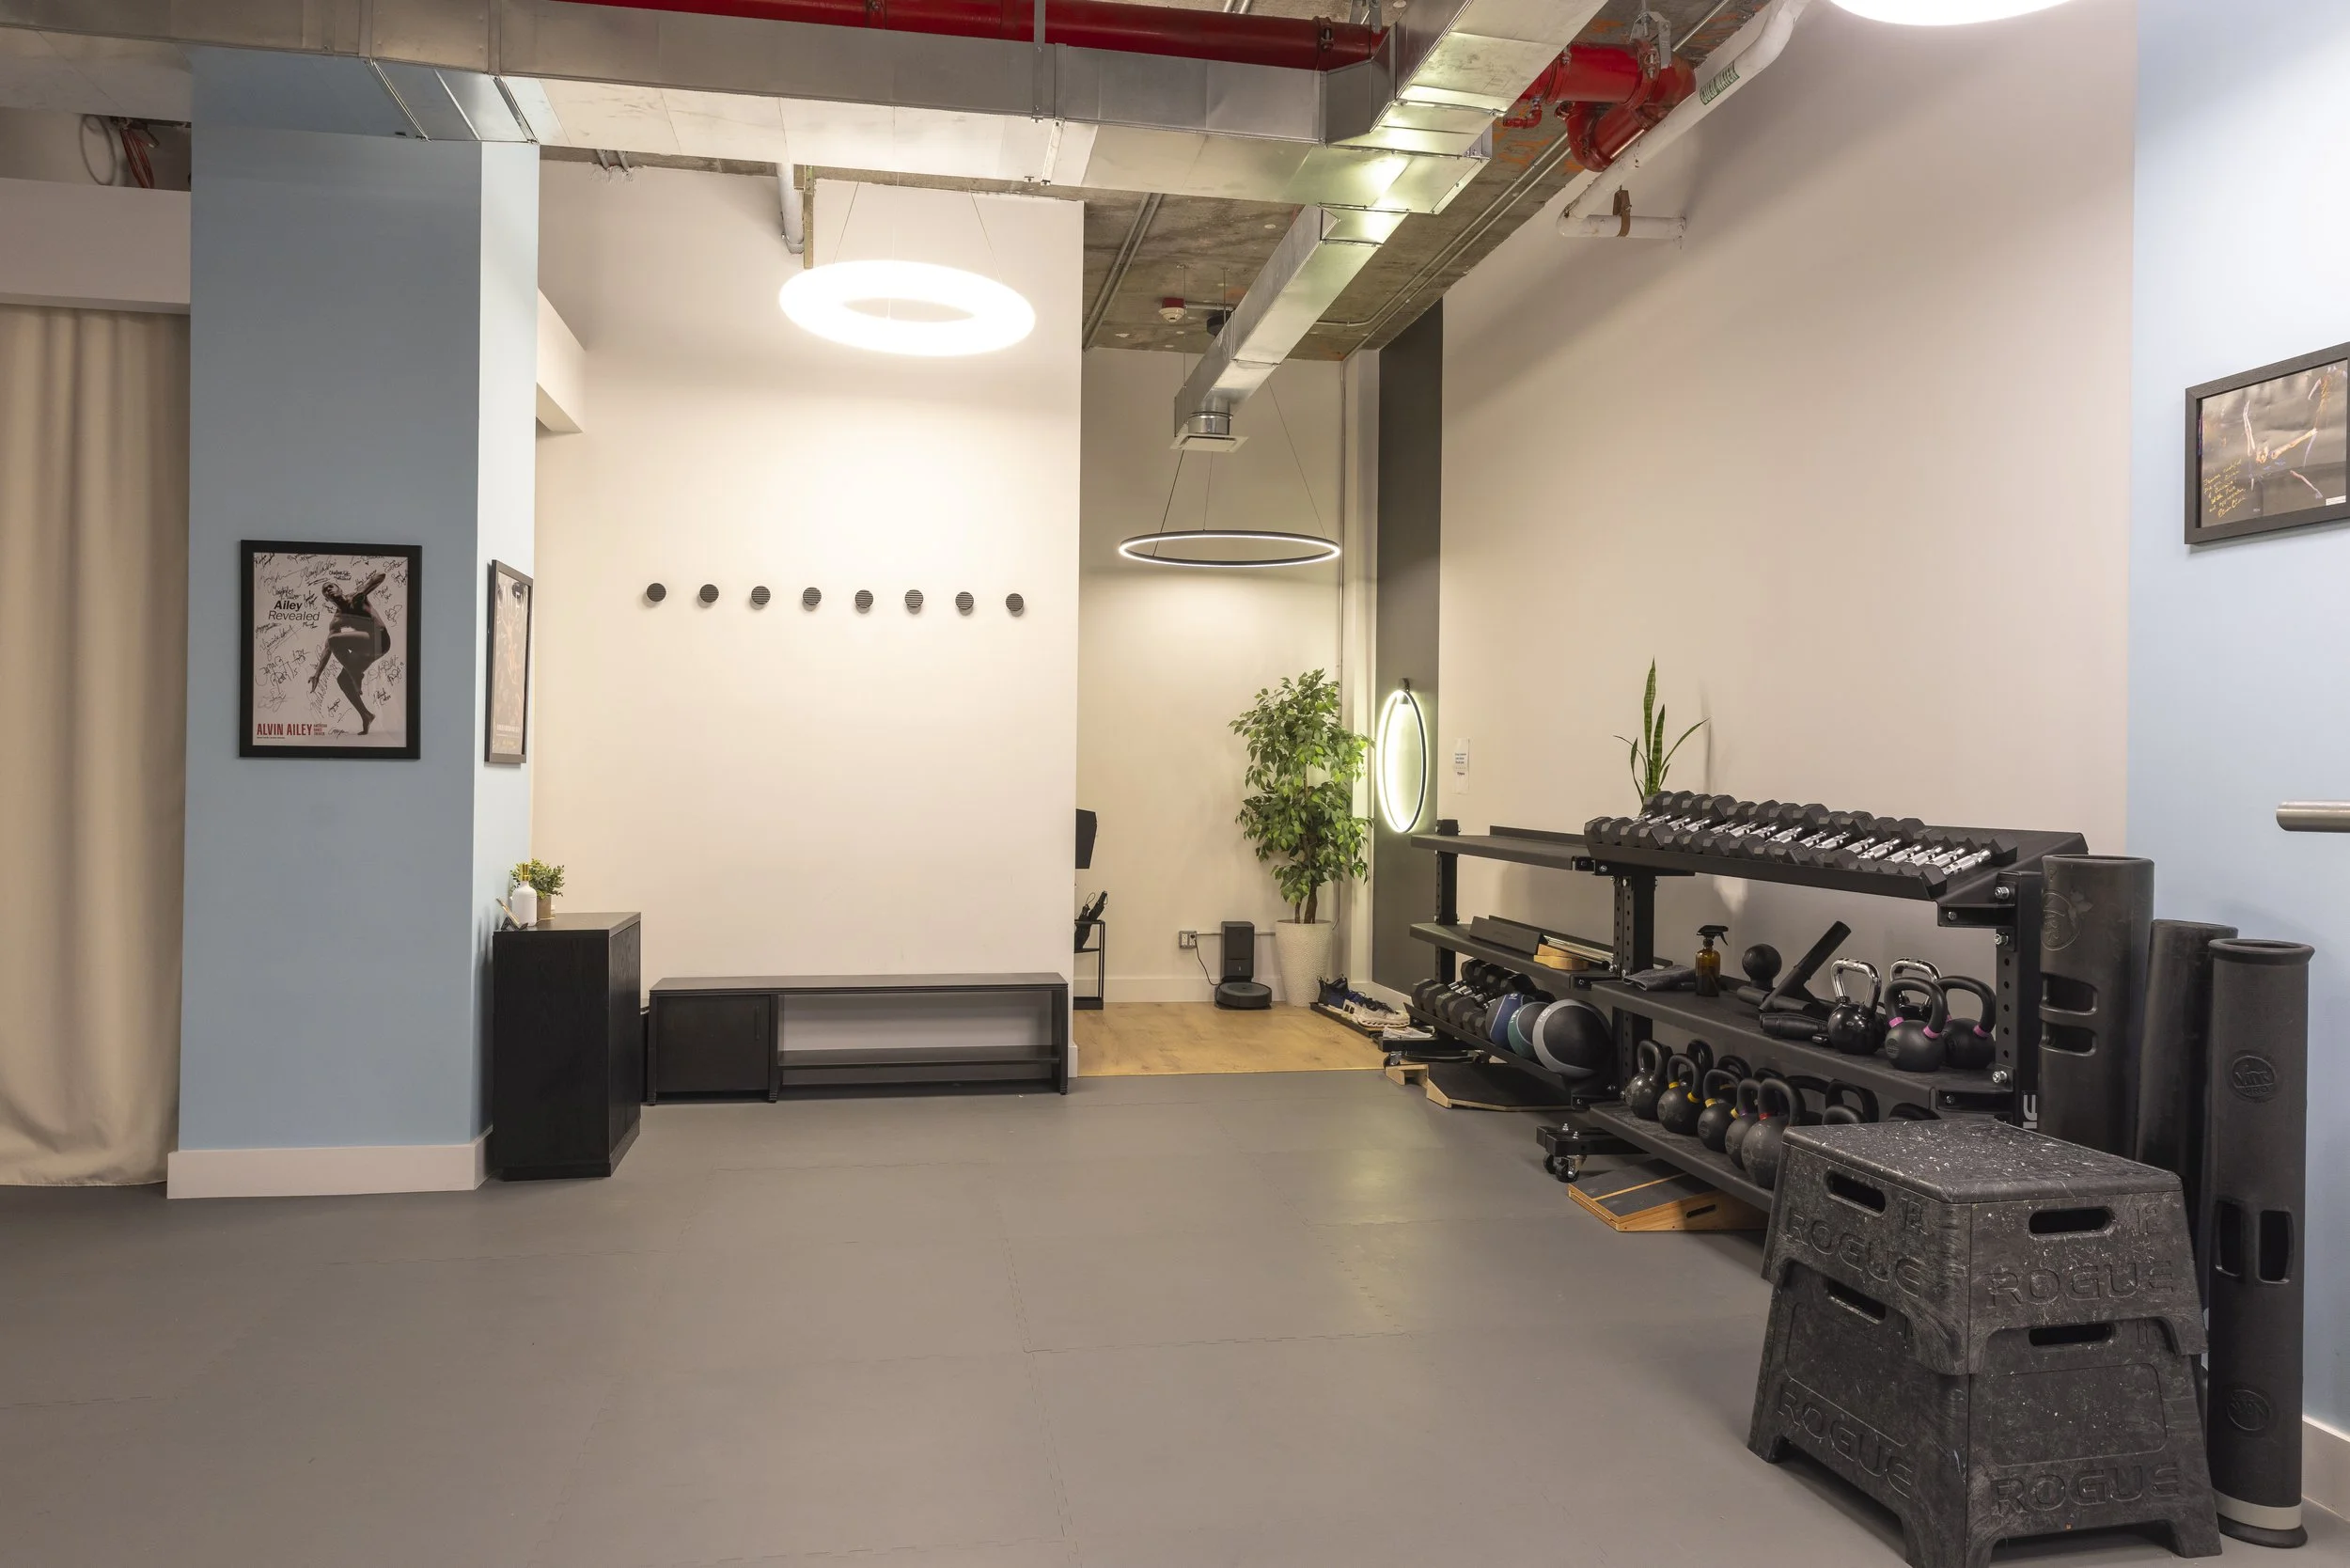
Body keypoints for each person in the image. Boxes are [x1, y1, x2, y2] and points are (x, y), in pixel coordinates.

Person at [308, 570, 392, 734]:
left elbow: (381, 576)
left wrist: (364, 589)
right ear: (327, 599)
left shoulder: (356, 597)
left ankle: (354, 674)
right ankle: (366, 715)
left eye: (330, 586)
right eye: (325, 591)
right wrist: (317, 674)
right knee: (343, 680)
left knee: (334, 641)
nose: (328, 590)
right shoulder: (337, 619)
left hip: (380, 640)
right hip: (368, 650)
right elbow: (328, 648)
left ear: (340, 589)